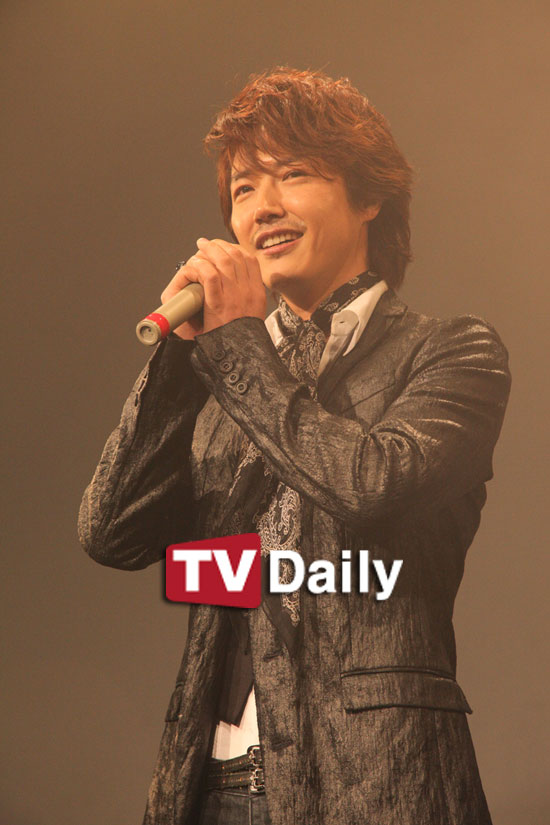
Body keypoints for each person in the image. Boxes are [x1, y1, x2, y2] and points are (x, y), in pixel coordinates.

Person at [78, 67, 511, 825]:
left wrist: (239, 347)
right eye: (243, 188)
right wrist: (182, 358)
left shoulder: (454, 353)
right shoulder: (225, 372)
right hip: (208, 785)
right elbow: (112, 533)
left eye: (295, 174)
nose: (263, 206)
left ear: (369, 196)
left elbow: (370, 486)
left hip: (373, 786)